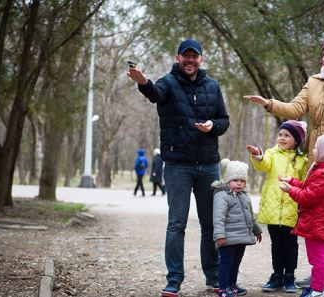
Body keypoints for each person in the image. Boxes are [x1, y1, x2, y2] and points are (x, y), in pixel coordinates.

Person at [244, 35, 324, 293]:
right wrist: (269, 104)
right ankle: (323, 271)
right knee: (321, 215)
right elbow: (295, 108)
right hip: (317, 158)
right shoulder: (314, 82)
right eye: (323, 54)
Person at [127, 39, 230, 297]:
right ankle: (174, 279)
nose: (190, 60)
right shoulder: (168, 82)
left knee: (210, 224)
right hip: (177, 165)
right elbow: (155, 93)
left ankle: (214, 276)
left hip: (208, 164)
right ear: (178, 58)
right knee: (176, 225)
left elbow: (224, 120)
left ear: (201, 60)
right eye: (186, 56)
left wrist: (212, 126)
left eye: (195, 56)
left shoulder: (212, 85)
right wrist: (143, 83)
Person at [279, 133, 324, 297]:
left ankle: (317, 290)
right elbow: (309, 187)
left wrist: (290, 190)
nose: (314, 150)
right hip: (323, 222)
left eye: (317, 148)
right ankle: (323, 289)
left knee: (318, 260)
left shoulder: (322, 175)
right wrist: (292, 181)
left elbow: (307, 197)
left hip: (315, 224)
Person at [246, 120, 309, 293]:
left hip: (291, 209)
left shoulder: (302, 160)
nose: (282, 138)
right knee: (276, 245)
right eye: (280, 134)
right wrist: (258, 155)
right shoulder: (271, 153)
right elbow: (262, 164)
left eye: (287, 135)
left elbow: (304, 184)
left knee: (290, 245)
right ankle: (277, 275)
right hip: (272, 208)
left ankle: (290, 275)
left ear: (296, 140)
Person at [212, 158, 263, 297]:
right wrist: (220, 235)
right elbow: (218, 217)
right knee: (226, 263)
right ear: (227, 181)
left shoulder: (244, 196)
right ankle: (223, 289)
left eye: (242, 181)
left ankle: (232, 285)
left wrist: (256, 230)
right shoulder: (222, 196)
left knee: (235, 263)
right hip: (227, 238)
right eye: (235, 180)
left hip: (241, 237)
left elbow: (250, 216)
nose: (239, 183)